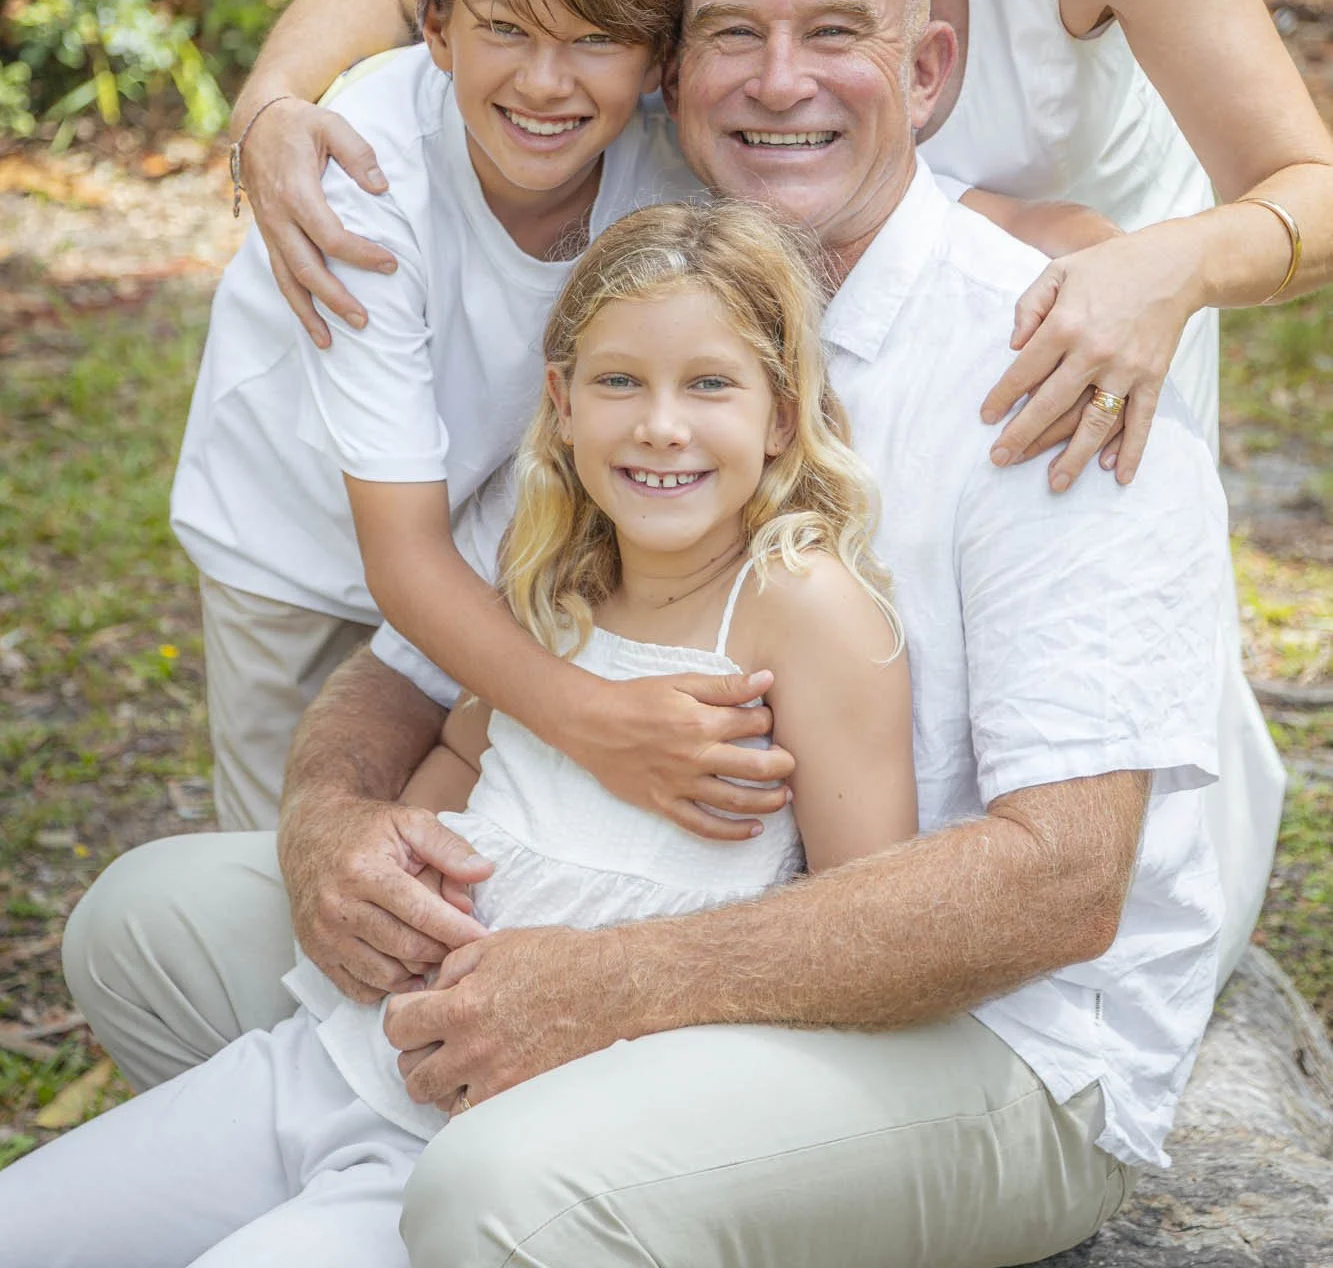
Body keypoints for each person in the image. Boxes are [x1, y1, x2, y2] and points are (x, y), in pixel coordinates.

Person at [218, 0, 1331, 950]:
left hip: (1067, 347)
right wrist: (276, 104)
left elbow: (1307, 186)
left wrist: (1171, 264)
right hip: (793, 368)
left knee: (1049, 765)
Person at [63, 0, 1228, 1267]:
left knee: (505, 1185)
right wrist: (335, 834)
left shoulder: (1051, 359)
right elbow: (411, 681)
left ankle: (509, 1187)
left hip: (1003, 1041)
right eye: (731, 35)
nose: (778, 82)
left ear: (924, 72)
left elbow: (1057, 887)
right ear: (673, 77)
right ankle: (370, 1176)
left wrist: (608, 990)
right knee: (144, 922)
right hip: (576, 924)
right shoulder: (655, 326)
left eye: (834, 34)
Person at [2, 199, 915, 1268]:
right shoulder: (557, 582)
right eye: (620, 380)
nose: (661, 423)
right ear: (562, 404)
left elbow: (867, 918)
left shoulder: (800, 604)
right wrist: (391, 861)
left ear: (780, 411)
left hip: (513, 1137)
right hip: (338, 1058)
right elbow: (462, 761)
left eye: (708, 383)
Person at [169, 0, 794, 837]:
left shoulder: (670, 154)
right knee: (304, 853)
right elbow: (400, 560)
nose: (545, 83)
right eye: (505, 28)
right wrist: (599, 721)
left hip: (501, 527)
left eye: (596, 39)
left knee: (475, 841)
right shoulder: (365, 178)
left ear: (657, 60)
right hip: (304, 545)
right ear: (436, 26)